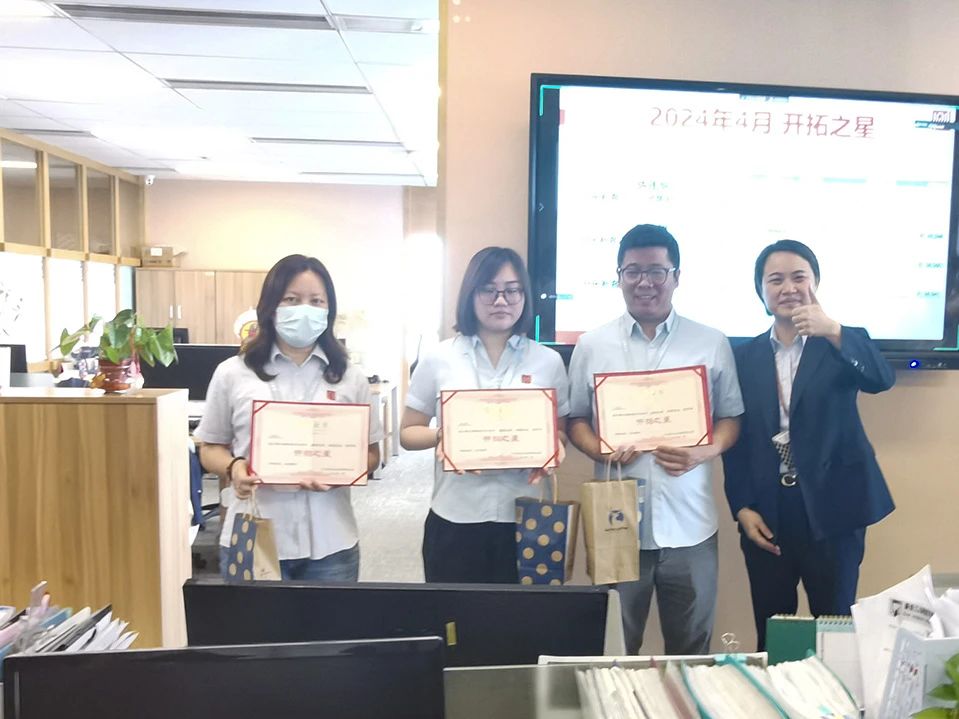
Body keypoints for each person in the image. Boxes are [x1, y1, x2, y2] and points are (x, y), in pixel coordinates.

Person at [567, 224, 743, 655]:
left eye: (657, 271)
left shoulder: (711, 342)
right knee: (613, 648)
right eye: (633, 271)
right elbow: (576, 420)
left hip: (690, 525)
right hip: (617, 524)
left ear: (676, 276)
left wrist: (705, 451)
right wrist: (601, 450)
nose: (644, 282)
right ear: (619, 277)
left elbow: (731, 418)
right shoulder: (592, 345)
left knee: (691, 650)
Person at [722, 240, 895, 650]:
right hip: (769, 509)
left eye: (798, 277)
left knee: (834, 629)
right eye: (775, 280)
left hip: (833, 508)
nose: (788, 288)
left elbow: (881, 379)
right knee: (772, 628)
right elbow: (737, 438)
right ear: (760, 291)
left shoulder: (841, 342)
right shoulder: (742, 356)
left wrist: (833, 330)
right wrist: (742, 506)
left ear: (815, 282)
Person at [195, 254, 382, 582]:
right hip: (254, 532)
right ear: (270, 306)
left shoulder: (350, 377)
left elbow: (371, 454)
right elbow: (209, 447)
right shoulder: (232, 373)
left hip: (331, 540)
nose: (304, 310)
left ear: (328, 310)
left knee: (334, 619)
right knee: (253, 618)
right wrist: (234, 467)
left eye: (316, 301)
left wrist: (341, 471)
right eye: (292, 300)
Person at [400, 246, 570, 583]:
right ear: (471, 294)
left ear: (524, 296)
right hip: (455, 517)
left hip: (525, 518)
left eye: (512, 290)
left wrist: (554, 451)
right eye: (489, 290)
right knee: (453, 615)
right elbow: (408, 433)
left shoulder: (547, 362)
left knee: (520, 615)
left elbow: (560, 432)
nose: (501, 300)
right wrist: (443, 436)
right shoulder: (439, 358)